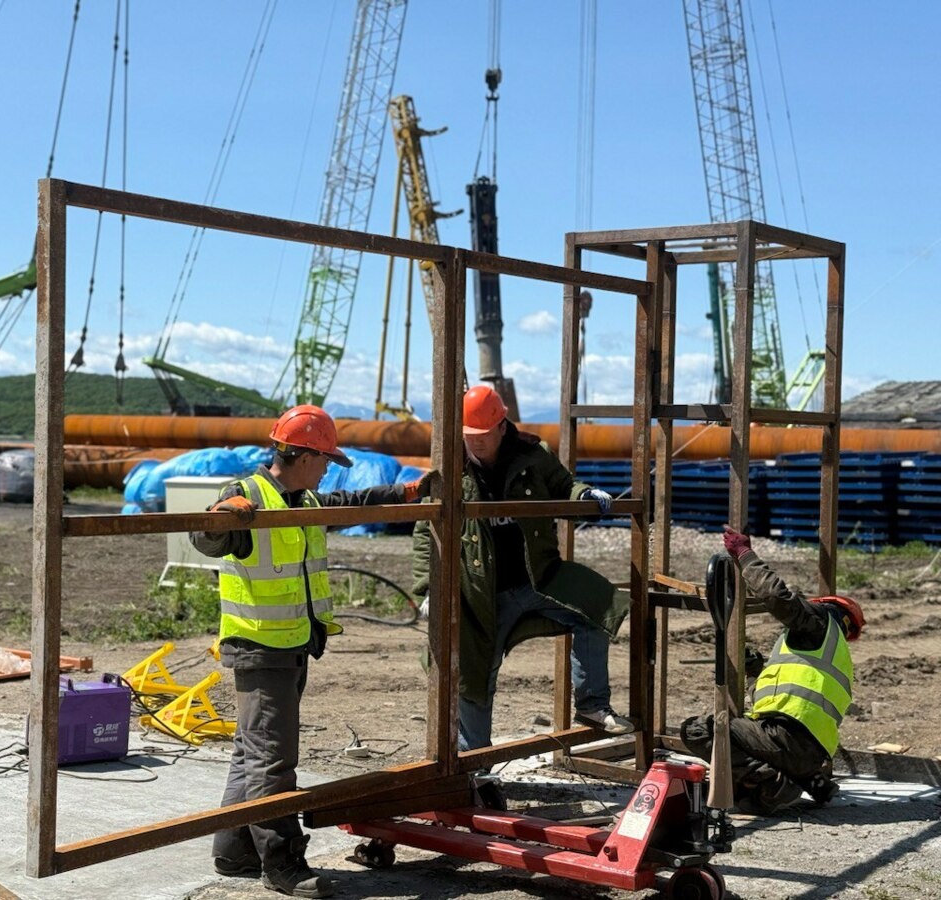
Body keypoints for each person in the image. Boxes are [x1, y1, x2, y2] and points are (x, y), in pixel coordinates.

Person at [190, 404, 422, 899]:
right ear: (302, 455)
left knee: (251, 752)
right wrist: (217, 520)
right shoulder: (245, 496)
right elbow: (205, 536)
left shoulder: (302, 496)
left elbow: (351, 500)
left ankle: (234, 851)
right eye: (325, 459)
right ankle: (285, 866)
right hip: (260, 645)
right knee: (273, 761)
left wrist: (403, 493)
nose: (329, 467)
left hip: (291, 642)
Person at [411, 384, 633, 751]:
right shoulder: (450, 466)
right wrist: (429, 588)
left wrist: (585, 495)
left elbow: (565, 485)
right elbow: (425, 530)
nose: (476, 443)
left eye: (482, 435)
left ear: (502, 426)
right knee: (473, 672)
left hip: (538, 579)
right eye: (469, 436)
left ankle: (592, 705)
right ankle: (473, 764)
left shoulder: (533, 455)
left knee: (598, 606)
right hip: (482, 595)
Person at [680, 526, 865, 815]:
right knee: (755, 775)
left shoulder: (819, 622)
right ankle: (814, 782)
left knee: (697, 730)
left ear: (830, 608)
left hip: (785, 738)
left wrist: (744, 554)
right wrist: (757, 671)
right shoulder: (835, 655)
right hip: (813, 754)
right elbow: (789, 697)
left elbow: (776, 597)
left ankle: (772, 783)